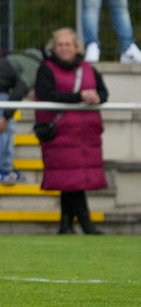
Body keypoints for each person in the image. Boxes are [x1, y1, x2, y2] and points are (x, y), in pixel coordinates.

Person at [34, 28, 108, 235]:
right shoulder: (46, 69)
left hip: (85, 135)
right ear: (53, 47)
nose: (64, 48)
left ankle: (66, 225)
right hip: (60, 133)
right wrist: (80, 97)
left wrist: (96, 98)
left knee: (72, 181)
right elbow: (46, 94)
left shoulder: (89, 69)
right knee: (70, 180)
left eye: (68, 44)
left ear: (76, 47)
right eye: (60, 44)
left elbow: (103, 93)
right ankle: (86, 224)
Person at [0, 47, 43, 184]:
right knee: (5, 127)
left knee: (8, 127)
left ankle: (6, 166)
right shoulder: (32, 67)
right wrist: (5, 116)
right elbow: (18, 93)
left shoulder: (24, 60)